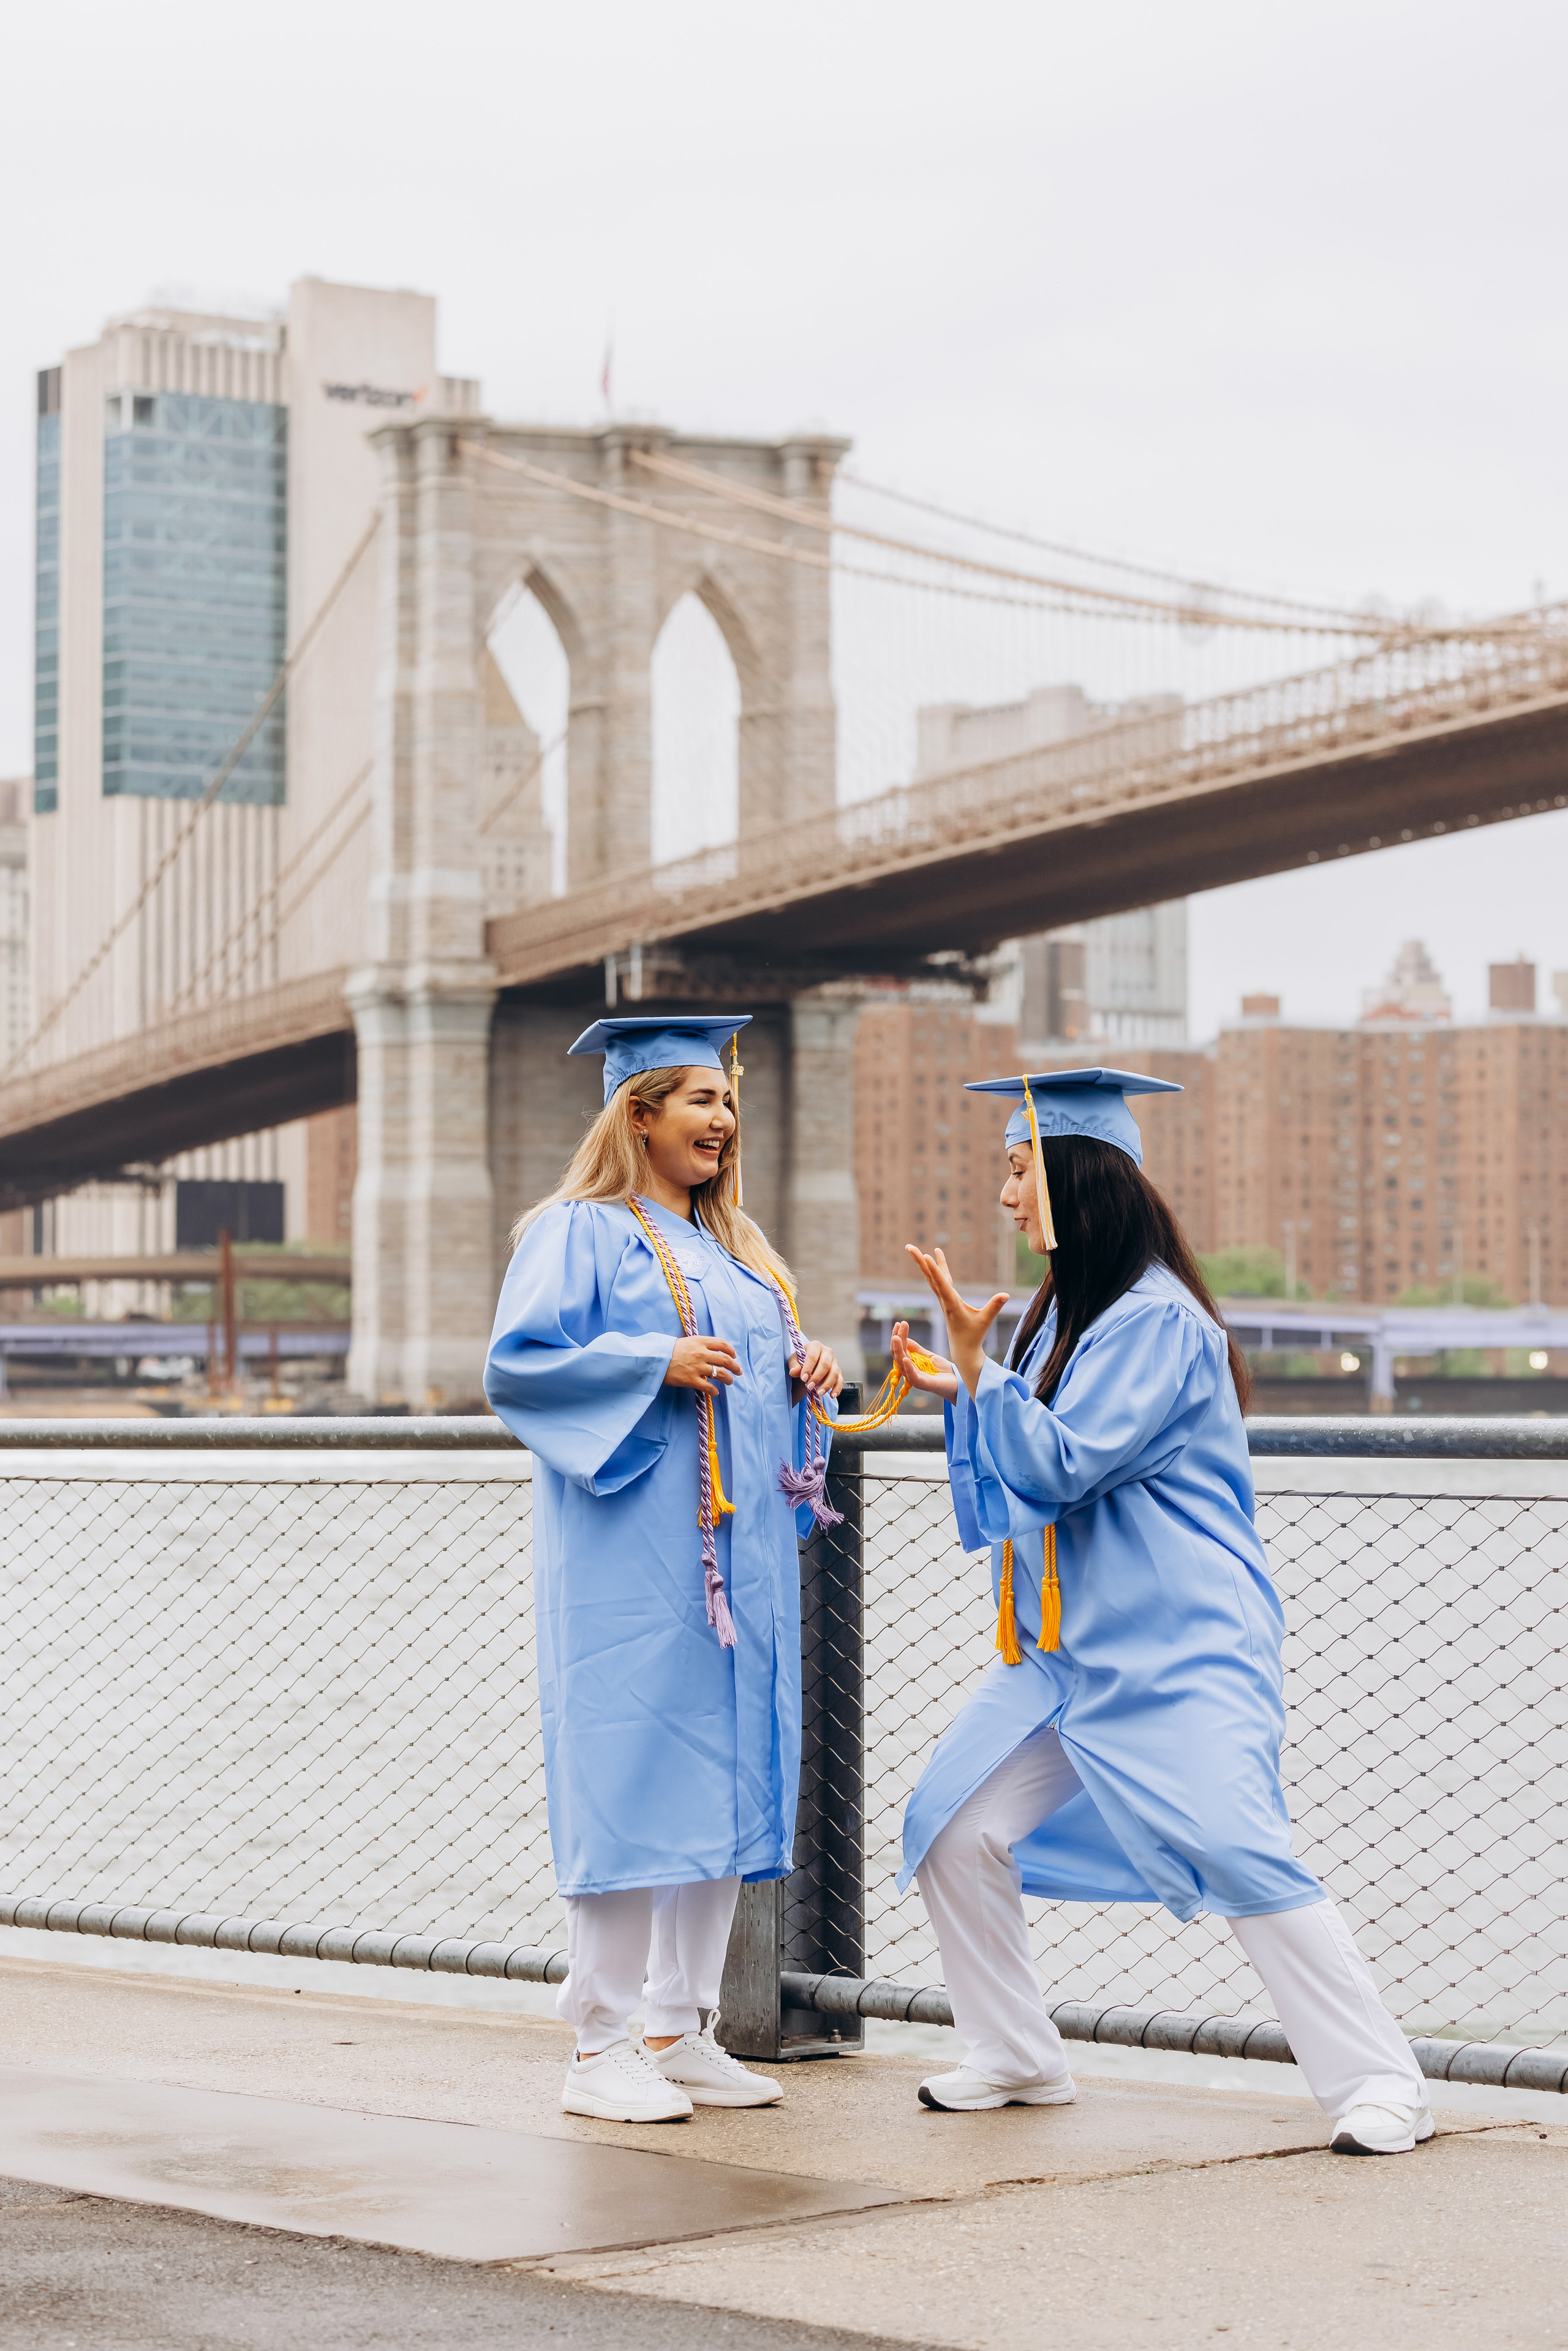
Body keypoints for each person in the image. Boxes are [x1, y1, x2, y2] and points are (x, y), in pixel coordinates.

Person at [889, 1066, 1431, 2156]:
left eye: (1021, 1170)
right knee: (952, 1826)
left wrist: (981, 1374)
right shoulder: (1063, 1316)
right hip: (1062, 1652)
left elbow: (1065, 1462)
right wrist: (969, 1387)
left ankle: (1384, 2082)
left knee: (1237, 1845)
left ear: (1078, 1180)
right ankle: (1017, 2053)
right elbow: (1035, 1448)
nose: (1006, 1195)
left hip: (1176, 1642)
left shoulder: (1156, 1321)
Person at [484, 1014, 843, 2124]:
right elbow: (520, 1367)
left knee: (725, 1784)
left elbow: (758, 1400)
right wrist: (655, 1358)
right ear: (637, 1114)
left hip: (738, 1568)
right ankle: (598, 2043)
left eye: (728, 1103)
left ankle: (677, 2029)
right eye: (701, 1100)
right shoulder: (578, 1232)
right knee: (632, 1783)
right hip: (632, 1563)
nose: (723, 1120)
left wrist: (807, 1371)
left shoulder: (738, 1250)